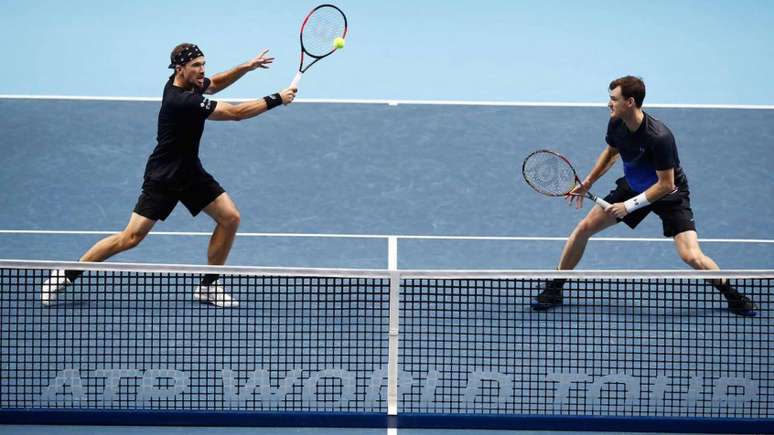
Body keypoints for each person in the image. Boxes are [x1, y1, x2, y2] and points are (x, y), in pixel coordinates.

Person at [41, 43, 297, 308]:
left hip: (190, 172)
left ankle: (208, 286)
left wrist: (245, 67)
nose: (202, 70)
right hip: (163, 177)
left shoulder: (187, 83)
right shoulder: (182, 100)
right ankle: (66, 274)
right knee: (130, 238)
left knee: (230, 218)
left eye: (203, 64)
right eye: (196, 65)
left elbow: (215, 83)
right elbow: (235, 113)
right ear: (179, 68)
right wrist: (277, 98)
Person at [532, 75, 757, 317]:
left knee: (691, 255)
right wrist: (587, 183)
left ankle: (732, 295)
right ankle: (555, 287)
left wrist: (628, 206)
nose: (609, 104)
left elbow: (665, 184)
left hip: (669, 194)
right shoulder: (616, 123)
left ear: (629, 102)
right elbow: (611, 153)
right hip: (633, 185)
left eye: (613, 99)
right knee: (583, 228)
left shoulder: (659, 137)